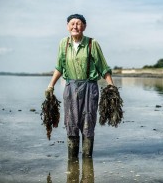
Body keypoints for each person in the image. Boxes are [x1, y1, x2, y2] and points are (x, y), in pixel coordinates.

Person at [45, 14, 114, 159]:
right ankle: (73, 161)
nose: (75, 26)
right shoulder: (63, 43)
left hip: (90, 87)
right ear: (67, 26)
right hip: (70, 87)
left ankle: (87, 157)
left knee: (88, 122)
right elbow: (59, 66)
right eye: (72, 24)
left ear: (84, 26)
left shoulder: (92, 43)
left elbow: (103, 67)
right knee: (71, 122)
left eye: (78, 23)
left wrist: (111, 87)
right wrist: (51, 85)